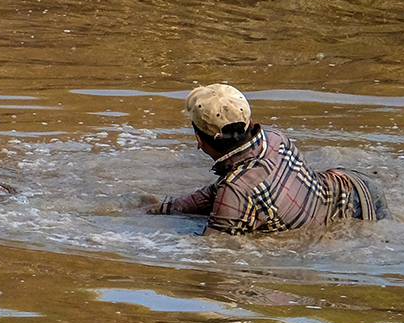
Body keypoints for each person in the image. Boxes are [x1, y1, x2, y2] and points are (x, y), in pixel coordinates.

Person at [148, 83, 385, 235]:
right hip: (358, 188)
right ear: (249, 123)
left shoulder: (235, 190)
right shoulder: (273, 137)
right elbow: (219, 191)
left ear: (199, 139)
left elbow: (214, 254)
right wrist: (163, 208)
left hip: (357, 218)